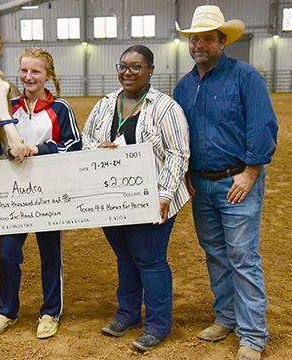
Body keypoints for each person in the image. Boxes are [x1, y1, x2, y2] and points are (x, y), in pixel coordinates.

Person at [173, 6, 278, 360]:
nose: (199, 44)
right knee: (216, 254)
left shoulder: (245, 76)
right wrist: (187, 173)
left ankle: (252, 335)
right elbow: (181, 134)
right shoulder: (185, 85)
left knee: (242, 256)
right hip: (201, 183)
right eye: (194, 38)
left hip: (237, 181)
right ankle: (226, 317)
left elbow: (263, 126)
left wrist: (250, 172)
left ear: (222, 42)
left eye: (206, 38)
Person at [81, 45, 190, 352]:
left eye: (136, 67)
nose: (127, 73)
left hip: (153, 198)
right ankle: (127, 315)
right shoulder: (104, 104)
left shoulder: (165, 107)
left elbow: (178, 154)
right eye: (123, 66)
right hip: (113, 198)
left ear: (151, 70)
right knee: (125, 257)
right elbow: (86, 139)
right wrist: (95, 149)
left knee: (150, 260)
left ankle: (157, 325)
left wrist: (165, 194)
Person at [0, 47, 81, 339]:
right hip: (15, 197)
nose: (28, 76)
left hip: (50, 195)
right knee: (9, 256)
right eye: (24, 71)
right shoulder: (8, 106)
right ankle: (7, 311)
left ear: (47, 75)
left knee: (51, 256)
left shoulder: (60, 108)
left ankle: (50, 312)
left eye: (36, 71)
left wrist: (38, 149)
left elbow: (74, 147)